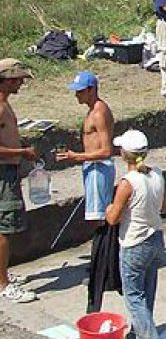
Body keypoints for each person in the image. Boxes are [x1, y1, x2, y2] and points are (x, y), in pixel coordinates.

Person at [106, 130, 166, 339]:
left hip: (135, 243)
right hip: (156, 239)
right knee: (147, 292)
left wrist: (108, 209)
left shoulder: (128, 182)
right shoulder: (157, 175)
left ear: (124, 155)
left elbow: (113, 218)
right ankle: (141, 334)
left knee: (134, 296)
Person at [0, 59, 37, 303]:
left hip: (8, 170)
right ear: (9, 80)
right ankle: (3, 285)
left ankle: (2, 274)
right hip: (3, 173)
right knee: (4, 228)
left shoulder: (5, 105)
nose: (22, 84)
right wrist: (22, 153)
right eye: (19, 79)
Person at [56, 72, 115, 225]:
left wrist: (75, 157)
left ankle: (103, 248)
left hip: (98, 168)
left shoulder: (98, 113)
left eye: (80, 91)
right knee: (96, 214)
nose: (76, 95)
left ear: (91, 89)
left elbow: (106, 151)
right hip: (93, 166)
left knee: (98, 217)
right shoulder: (93, 110)